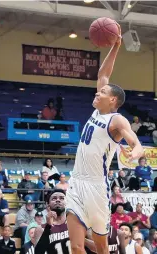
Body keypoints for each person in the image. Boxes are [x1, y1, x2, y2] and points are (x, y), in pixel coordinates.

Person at [66, 27, 144, 254]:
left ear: (112, 100)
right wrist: (115, 46)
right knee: (76, 246)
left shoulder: (116, 120)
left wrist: (136, 151)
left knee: (102, 248)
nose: (96, 93)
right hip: (76, 182)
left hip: (96, 187)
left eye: (102, 93)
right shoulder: (97, 112)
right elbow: (103, 75)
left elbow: (134, 141)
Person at [34, 189, 70, 254]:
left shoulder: (76, 224)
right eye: (54, 198)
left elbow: (94, 246)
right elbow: (38, 252)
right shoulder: (40, 229)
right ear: (47, 204)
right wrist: (48, 226)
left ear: (68, 203)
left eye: (62, 198)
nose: (58, 200)